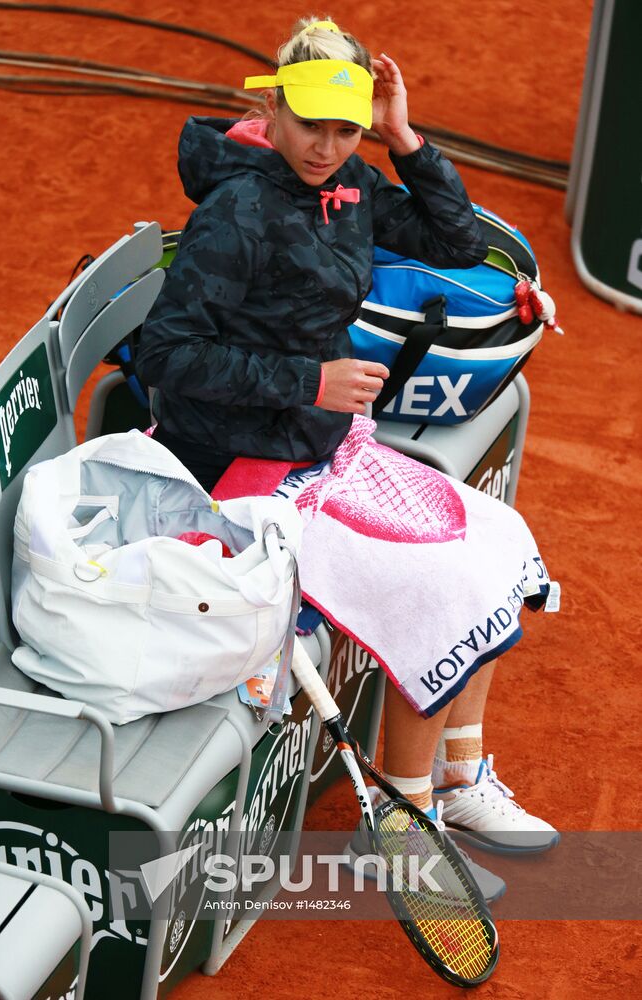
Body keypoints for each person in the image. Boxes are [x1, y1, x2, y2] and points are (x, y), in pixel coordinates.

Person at [137, 16, 558, 897]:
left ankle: (460, 775)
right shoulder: (237, 211)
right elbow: (169, 355)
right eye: (312, 126)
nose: (328, 147)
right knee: (435, 586)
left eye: (347, 129)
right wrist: (307, 380)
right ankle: (405, 830)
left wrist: (405, 140)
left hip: (317, 445)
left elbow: (452, 243)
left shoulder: (352, 182)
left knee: (498, 540)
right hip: (233, 469)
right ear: (274, 112)